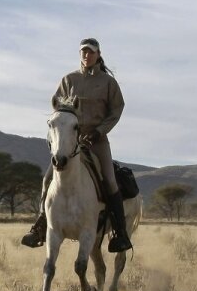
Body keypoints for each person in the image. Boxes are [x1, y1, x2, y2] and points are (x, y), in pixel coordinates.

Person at [20, 38, 132, 253]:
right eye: (83, 52)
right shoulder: (68, 80)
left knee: (110, 179)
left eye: (90, 52)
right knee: (47, 179)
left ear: (98, 54)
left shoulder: (108, 83)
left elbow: (116, 111)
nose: (86, 55)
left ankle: (120, 233)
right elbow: (58, 111)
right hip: (71, 142)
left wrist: (99, 131)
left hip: (98, 140)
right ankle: (40, 226)